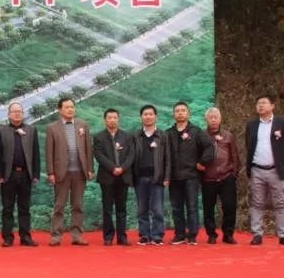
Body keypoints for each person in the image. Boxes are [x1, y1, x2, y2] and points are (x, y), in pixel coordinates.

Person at [245, 95, 284, 246]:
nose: (260, 105)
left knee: (280, 203)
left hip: (276, 170)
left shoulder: (283, 123)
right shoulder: (252, 125)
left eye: (264, 103)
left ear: (272, 106)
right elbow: (249, 145)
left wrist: (279, 158)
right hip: (257, 169)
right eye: (258, 103)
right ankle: (257, 234)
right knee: (257, 202)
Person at [45, 98, 94, 246]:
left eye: (72, 107)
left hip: (80, 172)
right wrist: (51, 172)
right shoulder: (52, 127)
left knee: (78, 205)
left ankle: (77, 235)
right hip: (61, 172)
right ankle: (56, 236)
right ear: (60, 110)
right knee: (59, 205)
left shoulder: (82, 125)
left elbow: (88, 148)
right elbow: (49, 152)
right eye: (67, 107)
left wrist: (90, 168)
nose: (70, 109)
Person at [166, 102, 215, 245]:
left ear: (188, 113)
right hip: (174, 177)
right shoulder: (168, 133)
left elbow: (210, 147)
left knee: (192, 207)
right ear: (173, 114)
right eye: (177, 111)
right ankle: (180, 235)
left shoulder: (196, 131)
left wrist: (202, 162)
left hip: (191, 176)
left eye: (183, 110)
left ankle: (192, 235)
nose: (180, 113)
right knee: (176, 208)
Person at [0, 102, 40, 247]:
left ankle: (25, 236)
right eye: (14, 111)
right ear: (9, 114)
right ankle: (8, 237)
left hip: (26, 174)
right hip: (8, 175)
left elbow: (36, 153)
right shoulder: (1, 131)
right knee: (7, 208)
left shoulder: (31, 130)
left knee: (24, 207)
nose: (17, 114)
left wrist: (35, 174)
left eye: (19, 111)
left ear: (23, 114)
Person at [92, 109, 135, 246]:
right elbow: (98, 155)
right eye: (109, 118)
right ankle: (108, 236)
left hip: (123, 176)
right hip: (107, 177)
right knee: (107, 209)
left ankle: (122, 237)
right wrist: (113, 168)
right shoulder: (99, 137)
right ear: (105, 120)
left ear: (118, 119)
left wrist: (122, 168)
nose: (112, 120)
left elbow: (131, 155)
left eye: (114, 117)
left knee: (122, 209)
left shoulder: (127, 136)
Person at [133, 105, 171, 246]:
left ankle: (157, 235)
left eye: (150, 114)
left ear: (156, 116)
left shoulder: (162, 135)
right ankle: (144, 235)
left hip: (157, 177)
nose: (148, 116)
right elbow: (131, 157)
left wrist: (167, 177)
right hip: (140, 177)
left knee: (157, 209)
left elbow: (168, 157)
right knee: (142, 209)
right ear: (141, 117)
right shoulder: (136, 136)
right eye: (145, 114)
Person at [202, 107, 239, 244]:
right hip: (208, 178)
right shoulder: (201, 135)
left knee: (229, 206)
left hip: (226, 176)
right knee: (208, 208)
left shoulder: (228, 135)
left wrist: (234, 174)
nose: (213, 120)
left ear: (220, 119)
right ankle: (211, 234)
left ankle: (228, 234)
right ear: (206, 119)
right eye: (210, 117)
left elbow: (235, 155)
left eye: (215, 117)